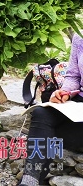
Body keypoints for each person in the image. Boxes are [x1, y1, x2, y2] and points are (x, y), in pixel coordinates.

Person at [19, 33, 83, 186]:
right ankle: (30, 180)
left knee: (49, 135)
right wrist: (64, 92)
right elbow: (73, 76)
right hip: (79, 104)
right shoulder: (80, 36)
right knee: (41, 113)